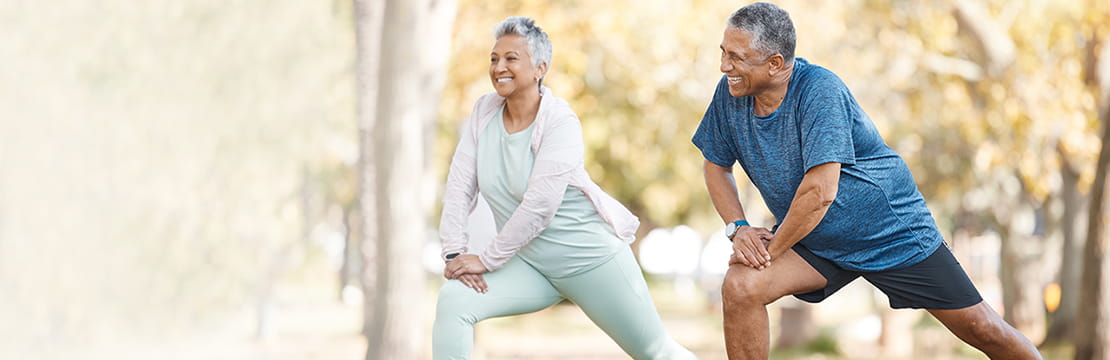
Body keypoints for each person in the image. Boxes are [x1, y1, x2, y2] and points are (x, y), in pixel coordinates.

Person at [691, 3, 1043, 359]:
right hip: (812, 236)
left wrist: (768, 252)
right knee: (741, 286)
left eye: (736, 57)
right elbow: (715, 164)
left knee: (984, 328)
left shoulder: (818, 91)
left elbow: (820, 192)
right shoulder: (730, 95)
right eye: (723, 53)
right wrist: (739, 228)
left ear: (775, 64)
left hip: (887, 232)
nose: (724, 66)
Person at [433, 16, 697, 360]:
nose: (499, 67)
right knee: (454, 301)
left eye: (511, 58)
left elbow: (539, 207)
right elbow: (458, 187)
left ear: (539, 67)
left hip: (589, 260)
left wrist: (485, 259)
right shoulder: (484, 112)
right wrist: (454, 253)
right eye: (494, 59)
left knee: (655, 351)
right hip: (529, 266)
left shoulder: (560, 122)